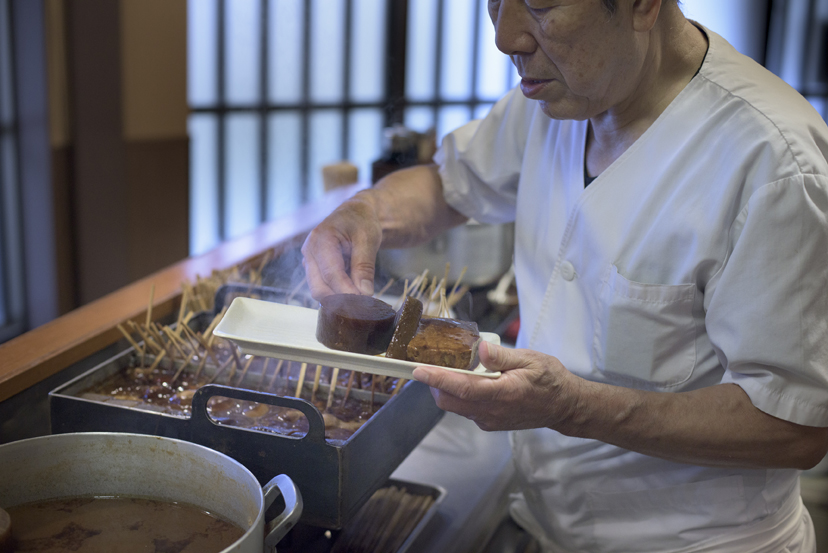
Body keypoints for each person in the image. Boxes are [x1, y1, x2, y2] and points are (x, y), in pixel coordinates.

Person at [302, 0, 828, 551]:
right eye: (494, 2)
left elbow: (793, 427)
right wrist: (366, 211)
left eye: (540, 5)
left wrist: (572, 406)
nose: (506, 37)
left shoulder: (775, 162)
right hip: (550, 525)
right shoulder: (559, 92)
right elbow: (450, 184)